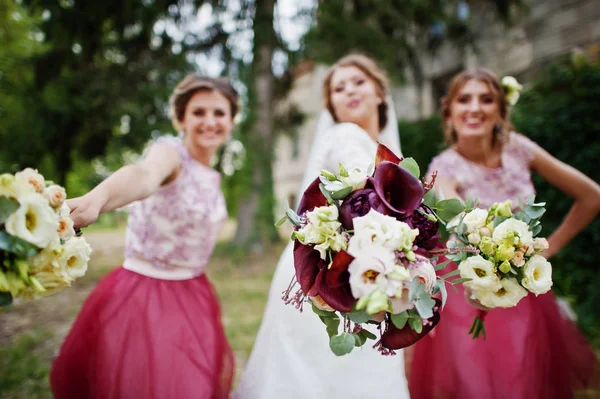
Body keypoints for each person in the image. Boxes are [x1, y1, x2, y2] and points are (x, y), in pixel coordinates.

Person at [408, 68, 600, 399]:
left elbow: (592, 195)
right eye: (464, 99)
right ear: (449, 112)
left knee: (523, 382)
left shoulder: (520, 149)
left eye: (487, 99)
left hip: (520, 290)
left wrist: (548, 249)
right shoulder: (444, 167)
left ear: (499, 109)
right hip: (466, 291)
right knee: (474, 384)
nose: (475, 108)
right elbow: (457, 218)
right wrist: (466, 240)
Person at [50, 74, 238, 399]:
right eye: (198, 112)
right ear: (181, 118)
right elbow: (144, 176)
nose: (210, 121)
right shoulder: (170, 154)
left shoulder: (213, 175)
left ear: (232, 119)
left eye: (219, 113)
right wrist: (99, 198)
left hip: (194, 292)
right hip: (144, 295)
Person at [234, 54, 410, 398]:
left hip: (373, 263)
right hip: (326, 265)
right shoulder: (345, 136)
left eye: (358, 82)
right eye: (337, 89)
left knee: (358, 366)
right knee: (318, 367)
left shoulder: (387, 152)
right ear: (331, 105)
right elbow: (370, 192)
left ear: (379, 91)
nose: (349, 91)